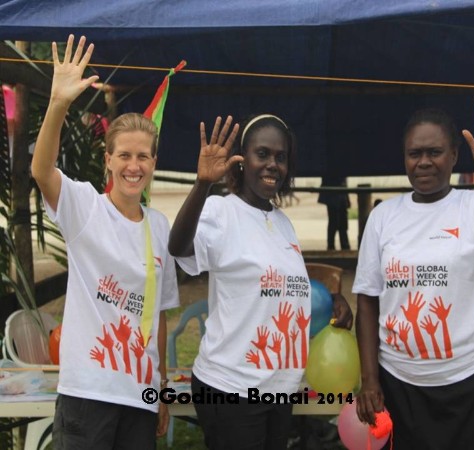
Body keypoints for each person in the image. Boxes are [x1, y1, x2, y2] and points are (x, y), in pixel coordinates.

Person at [353, 100, 474, 449]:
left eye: (434, 152)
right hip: (399, 382)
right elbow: (367, 300)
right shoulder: (383, 217)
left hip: (467, 381)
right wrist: (370, 380)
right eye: (414, 153)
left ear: (454, 155)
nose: (423, 161)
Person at [168, 114, 353, 450]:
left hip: (278, 388)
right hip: (232, 388)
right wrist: (202, 184)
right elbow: (179, 247)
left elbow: (285, 289)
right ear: (242, 160)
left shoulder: (282, 223)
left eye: (281, 157)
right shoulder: (221, 211)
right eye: (262, 154)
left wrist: (331, 301)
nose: (272, 165)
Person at [31, 35, 179, 449]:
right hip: (88, 394)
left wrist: (160, 388)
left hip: (139, 397)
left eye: (143, 156)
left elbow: (158, 315)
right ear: (108, 160)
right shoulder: (85, 208)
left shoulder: (159, 227)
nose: (134, 166)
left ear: (153, 163)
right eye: (125, 155)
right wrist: (58, 103)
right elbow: (42, 171)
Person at [318, 175, 351, 250]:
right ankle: (342, 245)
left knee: (335, 220)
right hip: (338, 192)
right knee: (338, 221)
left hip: (334, 192)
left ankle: (332, 245)